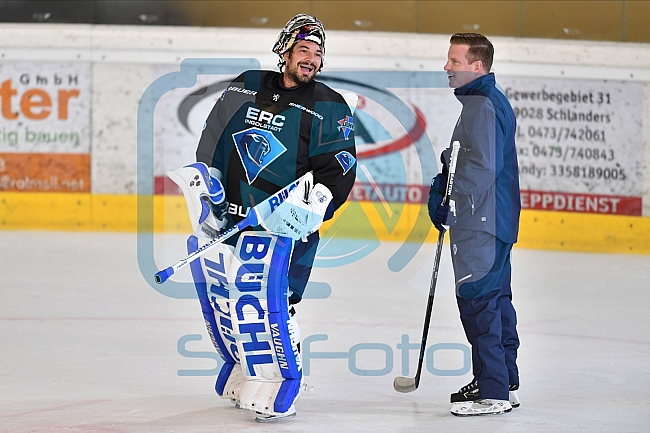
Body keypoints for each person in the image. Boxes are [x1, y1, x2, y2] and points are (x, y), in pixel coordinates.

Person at [170, 14, 357, 422]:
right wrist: (208, 184)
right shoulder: (246, 85)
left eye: (318, 54)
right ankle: (246, 367)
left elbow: (339, 167)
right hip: (231, 220)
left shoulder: (329, 105)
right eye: (304, 50)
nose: (311, 59)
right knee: (229, 300)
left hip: (286, 228)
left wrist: (312, 204)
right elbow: (213, 140)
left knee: (274, 303)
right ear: (285, 51)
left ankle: (280, 379)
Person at [428, 33, 521, 417]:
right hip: (495, 218)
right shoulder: (486, 100)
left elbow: (481, 168)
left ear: (477, 66)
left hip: (481, 222)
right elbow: (471, 160)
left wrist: (448, 200)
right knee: (496, 299)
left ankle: (494, 391)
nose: (447, 67)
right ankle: (503, 381)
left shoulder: (481, 105)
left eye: (455, 61)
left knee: (478, 300)